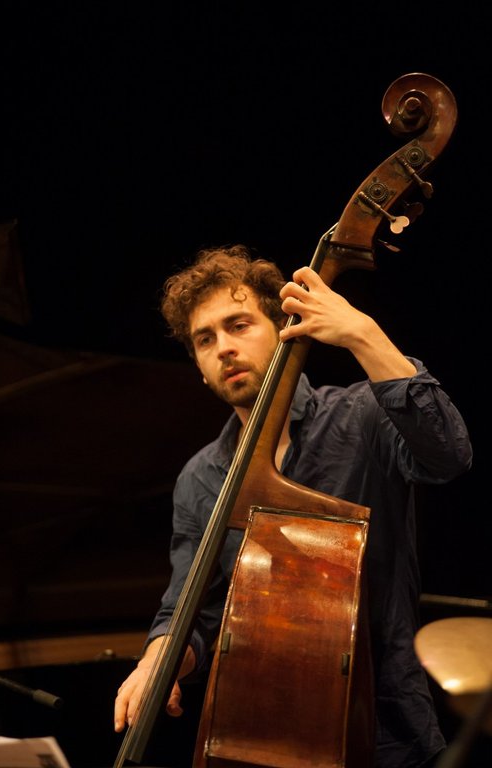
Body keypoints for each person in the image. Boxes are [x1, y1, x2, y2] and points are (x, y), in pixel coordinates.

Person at [114, 244, 472, 768]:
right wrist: (157, 661)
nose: (224, 348)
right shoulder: (200, 477)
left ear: (285, 328)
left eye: (239, 325)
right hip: (259, 735)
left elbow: (448, 455)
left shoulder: (361, 416)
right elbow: (193, 613)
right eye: (205, 339)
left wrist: (363, 334)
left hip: (387, 733)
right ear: (199, 368)